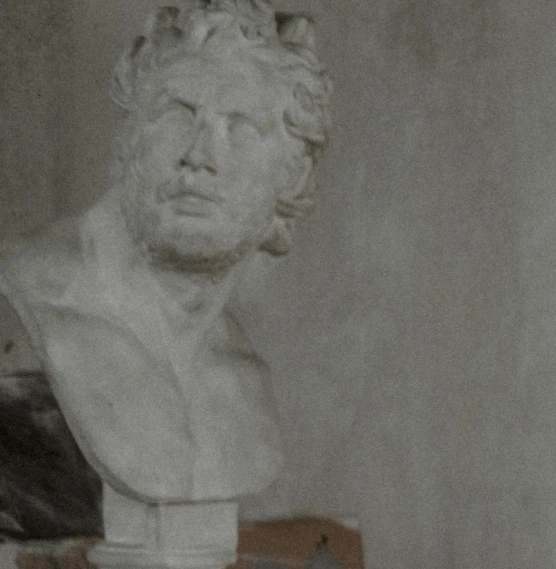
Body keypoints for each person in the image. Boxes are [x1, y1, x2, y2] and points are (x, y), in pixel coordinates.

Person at [0, 0, 331, 505]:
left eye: (240, 128)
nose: (198, 157)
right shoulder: (24, 299)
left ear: (291, 175)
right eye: (178, 115)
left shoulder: (241, 379)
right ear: (131, 135)